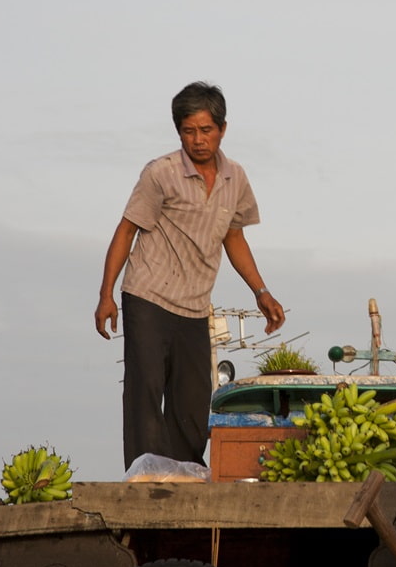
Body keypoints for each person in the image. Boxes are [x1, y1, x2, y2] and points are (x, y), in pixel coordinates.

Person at [95, 82, 285, 469]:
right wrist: (106, 295)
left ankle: (181, 478)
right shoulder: (160, 173)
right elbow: (126, 230)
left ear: (223, 129)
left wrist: (261, 291)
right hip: (147, 295)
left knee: (192, 403)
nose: (198, 140)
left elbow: (234, 237)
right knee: (145, 392)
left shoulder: (236, 179)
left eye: (206, 130)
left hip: (195, 305)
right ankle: (146, 480)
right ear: (178, 131)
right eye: (188, 131)